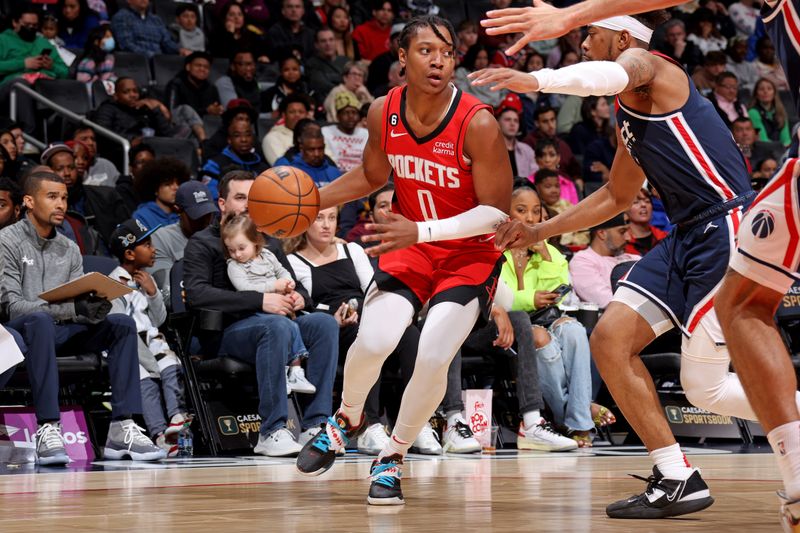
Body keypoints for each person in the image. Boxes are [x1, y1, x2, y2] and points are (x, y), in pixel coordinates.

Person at [473, 8, 761, 520]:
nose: (583, 45)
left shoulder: (652, 67)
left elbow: (613, 72)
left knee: (705, 388)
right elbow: (617, 195)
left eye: (591, 34)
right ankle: (676, 476)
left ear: (623, 37)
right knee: (609, 339)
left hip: (725, 226)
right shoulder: (631, 112)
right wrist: (539, 231)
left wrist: (539, 79)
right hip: (686, 236)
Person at [294, 15, 512, 506]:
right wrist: (310, 202)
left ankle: (392, 456)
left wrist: (424, 229)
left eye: (447, 52)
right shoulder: (382, 111)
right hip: (411, 245)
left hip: (469, 254)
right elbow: (371, 176)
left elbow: (496, 213)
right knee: (373, 341)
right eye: (426, 50)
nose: (438, 60)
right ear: (401, 58)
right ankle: (346, 418)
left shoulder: (477, 122)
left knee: (433, 355)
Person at [0, 171, 165, 461]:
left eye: (63, 197)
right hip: (24, 333)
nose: (61, 204)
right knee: (39, 321)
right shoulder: (7, 241)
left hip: (63, 330)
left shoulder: (70, 247)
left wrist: (93, 309)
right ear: (28, 201)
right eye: (51, 197)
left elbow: (77, 300)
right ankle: (48, 427)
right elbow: (14, 306)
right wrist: (74, 309)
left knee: (121, 325)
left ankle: (121, 427)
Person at [183, 170, 338, 457]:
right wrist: (260, 300)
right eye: (240, 197)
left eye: (253, 198)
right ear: (222, 204)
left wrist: (297, 298)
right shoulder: (202, 243)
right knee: (274, 327)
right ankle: (272, 431)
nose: (247, 205)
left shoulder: (269, 240)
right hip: (227, 332)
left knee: (324, 325)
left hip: (277, 322)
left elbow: (303, 289)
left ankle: (315, 425)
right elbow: (197, 294)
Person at [286, 206, 423, 455]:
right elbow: (305, 304)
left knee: (409, 333)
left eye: (331, 218)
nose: (326, 225)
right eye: (319, 219)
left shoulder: (352, 249)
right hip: (328, 328)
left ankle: (416, 424)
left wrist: (369, 312)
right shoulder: (294, 260)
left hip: (364, 314)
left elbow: (373, 289)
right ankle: (369, 426)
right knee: (366, 335)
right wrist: (333, 317)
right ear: (305, 223)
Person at [499, 183, 594, 449]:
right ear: (506, 215)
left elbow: (560, 291)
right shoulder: (496, 250)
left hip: (546, 317)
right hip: (508, 323)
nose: (530, 218)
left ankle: (576, 418)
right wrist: (529, 297)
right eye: (521, 210)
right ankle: (576, 419)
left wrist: (543, 254)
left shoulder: (550, 251)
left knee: (574, 331)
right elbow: (499, 297)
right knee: (540, 336)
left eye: (535, 211)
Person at [108, 219, 190, 455]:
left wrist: (153, 294)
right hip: (129, 344)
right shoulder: (114, 282)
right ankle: (159, 435)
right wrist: (147, 360)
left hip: (154, 340)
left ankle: (177, 417)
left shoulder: (147, 279)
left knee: (171, 365)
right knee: (146, 380)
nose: (153, 249)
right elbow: (118, 324)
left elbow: (159, 319)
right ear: (130, 254)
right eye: (147, 245)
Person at [222, 213, 316, 395]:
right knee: (281, 327)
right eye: (231, 250)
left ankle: (296, 371)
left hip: (281, 305)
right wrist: (273, 286)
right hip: (257, 312)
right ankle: (280, 374)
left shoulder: (268, 255)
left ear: (255, 241)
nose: (237, 254)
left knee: (293, 326)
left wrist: (288, 283)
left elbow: (282, 270)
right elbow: (244, 288)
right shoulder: (234, 266)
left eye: (241, 248)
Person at [0, 4, 69, 134]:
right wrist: (23, 64)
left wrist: (51, 66)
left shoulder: (43, 42)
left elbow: (65, 72)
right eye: (27, 25)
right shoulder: (3, 40)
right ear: (15, 22)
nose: (31, 28)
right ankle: (27, 134)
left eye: (34, 25)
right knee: (20, 84)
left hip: (41, 89)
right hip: (8, 89)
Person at [148, 180, 216, 303]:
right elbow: (169, 295)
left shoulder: (222, 235)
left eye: (208, 213)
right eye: (197, 216)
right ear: (178, 210)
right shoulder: (161, 238)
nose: (205, 221)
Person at [569, 214, 641, 309]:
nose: (628, 238)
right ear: (602, 233)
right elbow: (606, 301)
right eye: (622, 232)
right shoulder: (583, 261)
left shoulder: (634, 258)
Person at [202, 120, 269, 199]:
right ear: (229, 140)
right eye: (237, 135)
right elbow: (210, 196)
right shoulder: (215, 165)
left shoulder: (263, 168)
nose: (244, 139)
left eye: (248, 135)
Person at [522, 106, 580, 183]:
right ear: (537, 123)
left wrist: (578, 179)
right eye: (545, 121)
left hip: (565, 184)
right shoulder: (528, 142)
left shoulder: (562, 144)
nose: (550, 125)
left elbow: (574, 167)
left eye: (552, 120)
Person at [533, 168, 586, 248]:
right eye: (548, 186)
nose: (554, 190)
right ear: (537, 188)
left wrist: (575, 241)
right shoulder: (535, 209)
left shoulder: (568, 207)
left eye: (557, 186)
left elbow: (584, 231)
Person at [111, 0, 184, 58]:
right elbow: (126, 44)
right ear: (128, 0)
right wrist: (150, 55)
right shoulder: (122, 17)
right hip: (136, 60)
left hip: (159, 61)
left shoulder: (156, 19)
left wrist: (180, 50)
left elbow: (167, 42)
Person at [133, 157, 190, 229]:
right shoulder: (142, 217)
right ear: (155, 189)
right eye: (168, 184)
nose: (176, 187)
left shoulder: (185, 214)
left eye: (178, 183)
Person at [166, 51, 223, 120]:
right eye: (198, 65)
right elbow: (173, 113)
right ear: (188, 67)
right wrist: (205, 111)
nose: (202, 69)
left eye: (206, 67)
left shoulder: (212, 88)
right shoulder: (176, 84)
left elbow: (216, 109)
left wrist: (218, 110)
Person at [322, 91, 369, 173]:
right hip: (335, 175)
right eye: (346, 113)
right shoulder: (326, 132)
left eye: (354, 113)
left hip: (361, 176)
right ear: (338, 116)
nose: (350, 116)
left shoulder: (366, 134)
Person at [263, 92, 314, 165]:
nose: (297, 115)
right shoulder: (272, 138)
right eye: (292, 112)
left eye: (301, 112)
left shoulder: (315, 135)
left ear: (307, 115)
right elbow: (282, 168)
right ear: (284, 115)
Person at [497, 95, 536, 179]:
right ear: (498, 122)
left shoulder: (527, 151)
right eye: (507, 119)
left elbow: (534, 178)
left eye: (516, 120)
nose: (512, 124)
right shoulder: (489, 149)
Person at [307, 27, 350, 101]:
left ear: (336, 42)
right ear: (316, 45)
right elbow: (323, 85)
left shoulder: (346, 61)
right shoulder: (311, 63)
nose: (328, 44)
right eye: (323, 41)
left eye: (331, 40)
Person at [748, 77, 792, 147]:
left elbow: (786, 140)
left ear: (774, 93)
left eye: (769, 89)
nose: (765, 91)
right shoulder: (753, 112)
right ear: (756, 94)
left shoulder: (780, 112)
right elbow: (763, 140)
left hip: (781, 150)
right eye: (761, 89)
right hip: (764, 150)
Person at [626, 188, 668, 256]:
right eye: (635, 202)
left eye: (647, 201)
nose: (643, 205)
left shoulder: (666, 237)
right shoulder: (622, 242)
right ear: (625, 210)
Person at [75, 25, 117, 93]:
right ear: (96, 42)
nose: (111, 40)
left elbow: (110, 78)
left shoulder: (109, 57)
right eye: (107, 37)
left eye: (111, 37)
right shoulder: (87, 62)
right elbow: (82, 86)